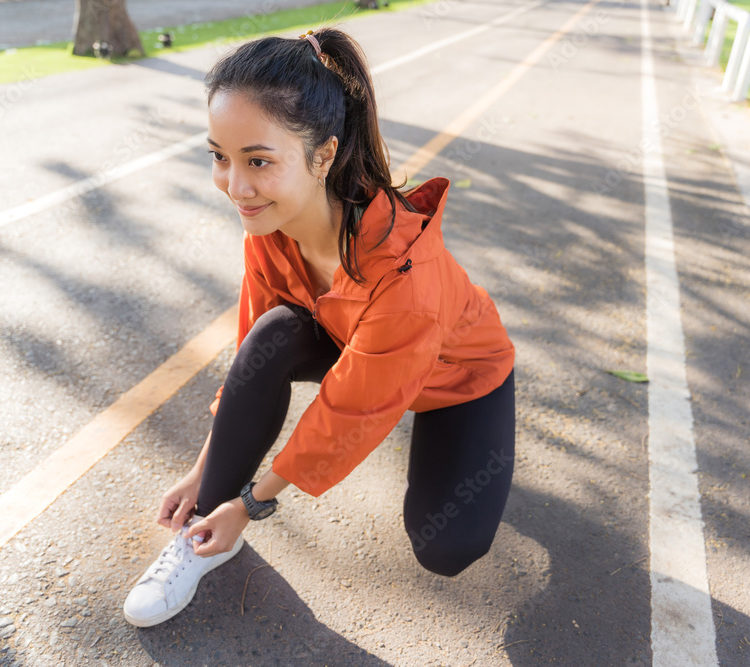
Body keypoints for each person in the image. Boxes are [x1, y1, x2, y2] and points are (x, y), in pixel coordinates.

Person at [123, 27, 516, 628]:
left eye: (257, 160)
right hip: (352, 341)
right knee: (273, 335)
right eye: (219, 157)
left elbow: (350, 412)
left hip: (458, 377)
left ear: (323, 155)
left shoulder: (402, 275)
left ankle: (229, 517)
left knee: (447, 547)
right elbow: (252, 356)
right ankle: (204, 536)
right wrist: (207, 476)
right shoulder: (270, 222)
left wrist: (251, 505)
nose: (235, 185)